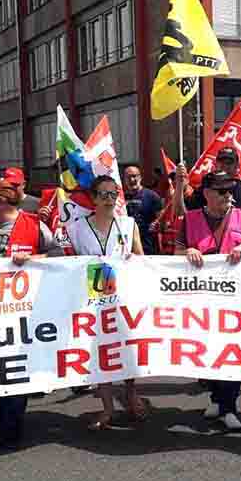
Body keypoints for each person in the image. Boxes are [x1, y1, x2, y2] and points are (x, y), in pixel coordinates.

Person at [0, 176, 61, 448]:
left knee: (17, 366)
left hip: (25, 311)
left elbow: (61, 255)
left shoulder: (34, 225)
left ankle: (11, 423)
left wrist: (34, 259)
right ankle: (5, 407)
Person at [176, 170, 241, 431]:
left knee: (232, 351)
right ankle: (216, 397)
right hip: (202, 299)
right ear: (206, 194)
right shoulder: (190, 219)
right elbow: (176, 252)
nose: (229, 195)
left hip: (236, 299)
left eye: (231, 190)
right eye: (222, 191)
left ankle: (229, 406)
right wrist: (188, 251)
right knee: (208, 350)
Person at [65, 175, 148, 431]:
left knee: (126, 345)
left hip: (124, 296)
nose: (110, 199)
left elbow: (141, 258)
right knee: (101, 351)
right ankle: (108, 407)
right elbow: (67, 263)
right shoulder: (76, 227)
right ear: (93, 198)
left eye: (114, 194)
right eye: (104, 194)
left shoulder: (128, 223)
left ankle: (132, 394)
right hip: (92, 297)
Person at [185, 147, 241, 241]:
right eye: (221, 162)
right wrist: (180, 187)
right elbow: (185, 215)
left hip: (240, 250)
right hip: (207, 249)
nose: (224, 166)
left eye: (229, 163)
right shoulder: (206, 188)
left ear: (237, 166)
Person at [123, 164, 164, 255]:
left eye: (134, 176)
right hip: (127, 245)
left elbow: (162, 221)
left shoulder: (152, 196)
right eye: (128, 177)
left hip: (148, 246)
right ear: (124, 179)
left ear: (140, 177)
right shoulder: (120, 198)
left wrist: (158, 225)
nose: (132, 180)